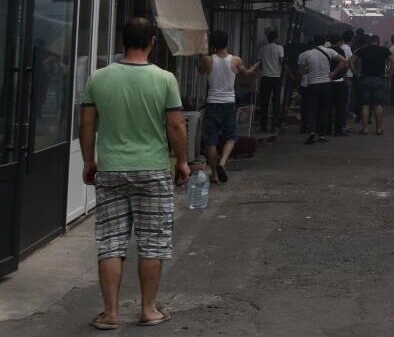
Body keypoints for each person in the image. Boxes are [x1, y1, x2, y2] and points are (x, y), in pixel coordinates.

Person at [79, 18, 189, 330]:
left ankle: (110, 313)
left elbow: (87, 125)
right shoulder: (165, 79)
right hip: (153, 169)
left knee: (111, 242)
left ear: (122, 41)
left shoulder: (98, 79)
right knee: (152, 243)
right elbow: (176, 125)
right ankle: (149, 309)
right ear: (152, 42)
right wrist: (181, 161)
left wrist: (89, 161)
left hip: (111, 169)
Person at [197, 29, 259, 183]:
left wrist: (203, 55)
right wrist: (255, 67)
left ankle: (215, 175)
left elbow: (200, 71)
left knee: (211, 141)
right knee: (231, 137)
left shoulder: (208, 60)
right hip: (228, 103)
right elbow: (246, 74)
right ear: (227, 43)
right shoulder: (236, 60)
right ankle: (223, 163)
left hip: (212, 103)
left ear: (213, 44)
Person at [297, 35, 343, 144]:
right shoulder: (329, 51)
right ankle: (322, 135)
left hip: (312, 85)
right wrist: (334, 73)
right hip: (326, 84)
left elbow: (300, 71)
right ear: (324, 42)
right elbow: (344, 61)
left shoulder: (305, 54)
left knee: (311, 109)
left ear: (313, 42)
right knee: (324, 110)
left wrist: (307, 72)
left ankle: (312, 132)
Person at [354, 34, 391, 134]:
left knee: (365, 105)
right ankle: (379, 129)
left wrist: (356, 73)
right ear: (378, 41)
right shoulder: (384, 50)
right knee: (378, 105)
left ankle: (365, 129)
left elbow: (351, 61)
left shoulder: (363, 50)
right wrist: (389, 74)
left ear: (370, 41)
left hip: (365, 79)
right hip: (379, 79)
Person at [255, 29, 286, 138]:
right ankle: (274, 124)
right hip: (277, 78)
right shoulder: (280, 48)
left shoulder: (263, 49)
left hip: (266, 77)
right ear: (276, 38)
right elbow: (282, 61)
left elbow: (259, 62)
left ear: (268, 39)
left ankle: (263, 125)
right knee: (276, 101)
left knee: (265, 101)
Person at [334, 30, 355, 136]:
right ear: (351, 39)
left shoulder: (342, 48)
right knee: (345, 101)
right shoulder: (346, 49)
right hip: (346, 77)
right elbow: (347, 63)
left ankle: (341, 123)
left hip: (343, 76)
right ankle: (343, 124)